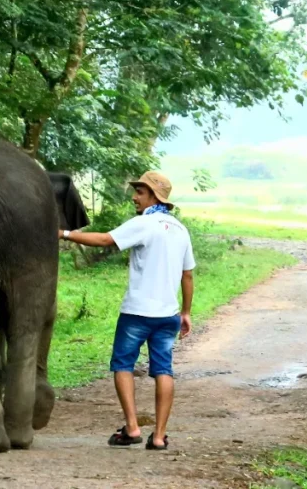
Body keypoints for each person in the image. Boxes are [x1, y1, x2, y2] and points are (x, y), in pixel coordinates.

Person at [60, 171, 194, 451]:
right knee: (164, 370)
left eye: (140, 192)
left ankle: (132, 428)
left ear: (155, 196)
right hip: (168, 314)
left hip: (137, 313)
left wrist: (65, 233)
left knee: (122, 365)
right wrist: (186, 312)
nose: (135, 196)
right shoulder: (180, 229)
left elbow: (106, 240)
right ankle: (158, 437)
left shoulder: (145, 224)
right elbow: (188, 276)